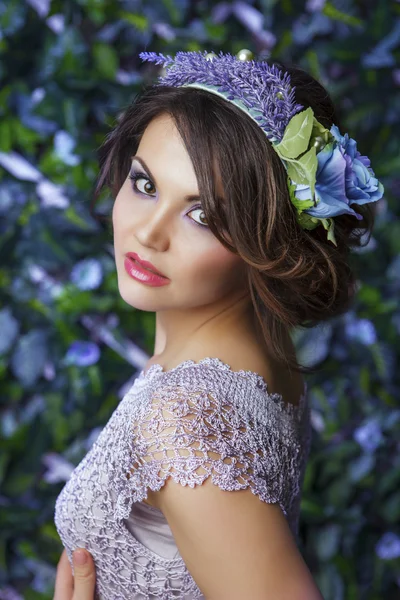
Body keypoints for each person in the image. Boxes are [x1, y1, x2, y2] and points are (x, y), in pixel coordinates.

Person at [53, 49, 383, 599]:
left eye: (204, 215)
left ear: (268, 242)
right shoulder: (258, 356)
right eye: (144, 184)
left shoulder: (188, 422)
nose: (148, 234)